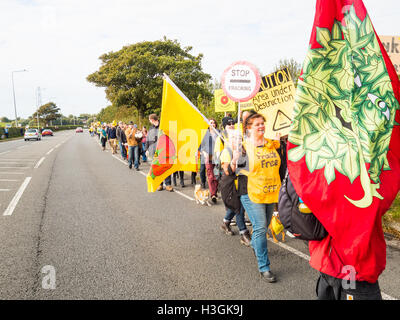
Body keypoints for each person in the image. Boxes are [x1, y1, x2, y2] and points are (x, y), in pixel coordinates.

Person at [237, 111, 281, 283]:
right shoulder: (242, 146)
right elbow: (234, 171)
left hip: (270, 191)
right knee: (261, 227)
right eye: (257, 124)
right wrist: (234, 160)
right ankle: (264, 267)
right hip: (250, 193)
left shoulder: (272, 144)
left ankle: (255, 244)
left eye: (263, 123)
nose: (261, 126)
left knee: (262, 229)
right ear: (249, 128)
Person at [219, 125, 251, 247]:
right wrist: (234, 160)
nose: (237, 140)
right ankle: (244, 233)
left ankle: (225, 222)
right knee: (239, 208)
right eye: (234, 138)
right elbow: (228, 171)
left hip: (243, 183)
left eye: (239, 137)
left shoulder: (244, 149)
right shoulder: (226, 152)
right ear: (229, 139)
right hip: (230, 185)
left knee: (236, 207)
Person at [145, 114, 173, 191]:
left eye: (150, 120)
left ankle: (168, 184)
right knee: (157, 168)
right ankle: (159, 184)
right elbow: (148, 139)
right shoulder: (151, 128)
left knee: (165, 167)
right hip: (155, 151)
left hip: (164, 150)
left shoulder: (163, 126)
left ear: (153, 119)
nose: (149, 121)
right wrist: (146, 149)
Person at [202, 119, 219, 203]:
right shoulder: (205, 134)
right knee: (210, 176)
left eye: (213, 123)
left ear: (216, 124)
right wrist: (205, 153)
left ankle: (215, 192)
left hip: (217, 156)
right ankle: (213, 194)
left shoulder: (219, 133)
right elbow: (201, 145)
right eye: (210, 123)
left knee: (216, 175)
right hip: (208, 156)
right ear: (208, 124)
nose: (212, 124)